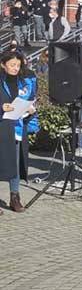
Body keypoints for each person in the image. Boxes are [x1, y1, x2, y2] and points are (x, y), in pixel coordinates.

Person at [0, 52, 37, 213]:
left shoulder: (24, 82)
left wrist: (30, 109)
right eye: (12, 65)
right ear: (3, 64)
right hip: (2, 126)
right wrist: (1, 107)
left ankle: (15, 197)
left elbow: (30, 99)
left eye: (18, 65)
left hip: (17, 127)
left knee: (15, 163)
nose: (15, 68)